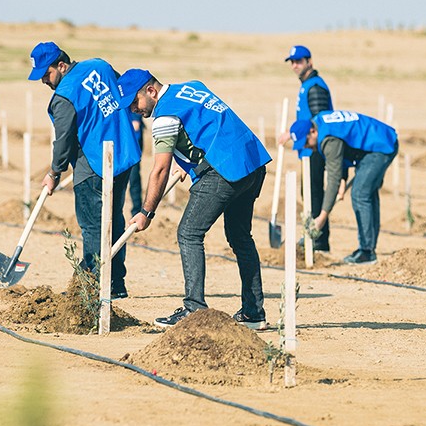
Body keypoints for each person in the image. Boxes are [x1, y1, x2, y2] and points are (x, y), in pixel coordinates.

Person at [117, 69, 270, 328]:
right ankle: (254, 313)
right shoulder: (191, 87)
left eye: (135, 102)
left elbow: (159, 170)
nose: (133, 109)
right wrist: (188, 164)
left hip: (223, 170)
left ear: (151, 91)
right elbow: (205, 125)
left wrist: (146, 212)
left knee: (189, 233)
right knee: (240, 236)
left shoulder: (164, 116)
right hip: (251, 162)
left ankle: (193, 309)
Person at [29, 42, 140, 300]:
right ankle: (115, 283)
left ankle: (92, 283)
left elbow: (64, 138)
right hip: (123, 154)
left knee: (92, 225)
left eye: (47, 74)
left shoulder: (64, 96)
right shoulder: (100, 66)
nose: (45, 80)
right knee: (114, 219)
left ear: (62, 65)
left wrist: (55, 173)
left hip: (93, 165)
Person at [288, 110, 397, 265]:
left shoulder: (328, 139)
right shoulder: (319, 123)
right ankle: (368, 248)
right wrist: (344, 179)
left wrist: (322, 217)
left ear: (312, 132)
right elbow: (343, 150)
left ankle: (366, 251)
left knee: (360, 193)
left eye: (305, 142)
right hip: (376, 144)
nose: (307, 147)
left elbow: (332, 179)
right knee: (366, 193)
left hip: (381, 146)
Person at [278, 45, 334, 251]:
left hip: (316, 149)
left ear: (309, 61)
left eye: (299, 61)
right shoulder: (307, 85)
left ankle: (318, 241)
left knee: (313, 193)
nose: (295, 66)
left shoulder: (315, 87)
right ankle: (314, 238)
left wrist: (293, 135)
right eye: (292, 62)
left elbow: (318, 122)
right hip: (308, 149)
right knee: (309, 192)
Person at [125, 108, 145, 216]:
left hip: (132, 140)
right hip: (117, 139)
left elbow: (135, 125)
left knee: (133, 176)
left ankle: (137, 211)